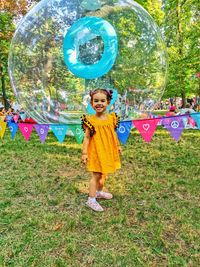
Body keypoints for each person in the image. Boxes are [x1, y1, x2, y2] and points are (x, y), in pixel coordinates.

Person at [81, 89, 122, 212]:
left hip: (107, 150)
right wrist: (84, 153)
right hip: (96, 151)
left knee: (104, 174)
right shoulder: (90, 120)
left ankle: (99, 192)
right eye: (96, 100)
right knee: (96, 175)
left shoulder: (111, 118)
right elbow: (87, 137)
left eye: (102, 101)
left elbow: (113, 134)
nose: (99, 103)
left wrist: (118, 145)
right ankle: (91, 199)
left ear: (108, 102)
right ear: (92, 103)